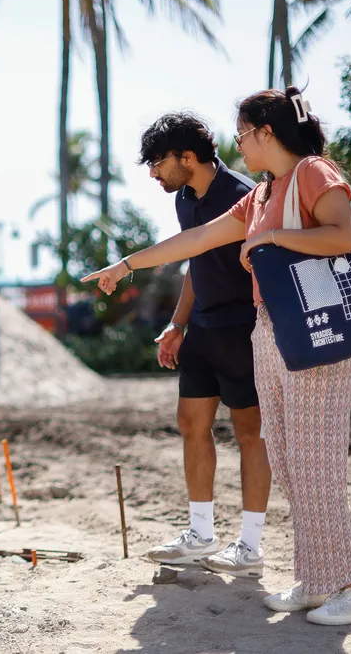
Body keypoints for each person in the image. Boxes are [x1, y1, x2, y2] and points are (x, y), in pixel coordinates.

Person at [84, 86, 351, 627]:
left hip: (314, 334)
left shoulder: (314, 172)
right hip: (270, 332)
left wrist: (271, 243)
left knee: (318, 468)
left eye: (242, 134)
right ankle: (316, 580)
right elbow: (195, 243)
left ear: (267, 133)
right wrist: (127, 264)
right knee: (288, 464)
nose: (238, 145)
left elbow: (344, 235)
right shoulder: (262, 195)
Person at [137, 113, 272, 579]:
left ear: (187, 157)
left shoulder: (242, 196)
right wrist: (177, 322)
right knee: (191, 423)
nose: (153, 173)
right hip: (204, 328)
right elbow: (195, 262)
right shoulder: (185, 199)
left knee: (250, 433)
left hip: (245, 329)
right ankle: (201, 535)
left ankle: (250, 544)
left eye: (157, 162)